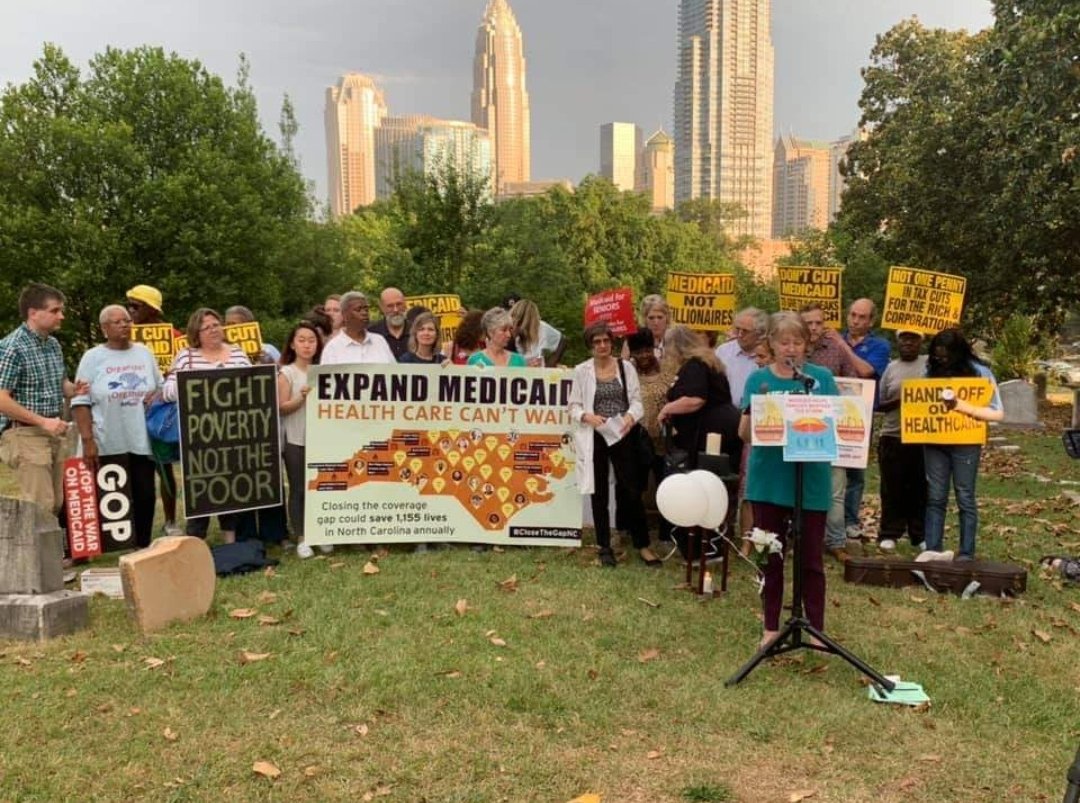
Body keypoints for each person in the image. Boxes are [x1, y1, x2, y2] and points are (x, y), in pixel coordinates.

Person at [738, 312, 839, 648]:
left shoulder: (821, 379)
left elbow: (836, 423)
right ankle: (770, 626)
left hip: (811, 478)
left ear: (807, 345)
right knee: (771, 554)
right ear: (771, 344)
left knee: (811, 558)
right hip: (770, 478)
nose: (791, 348)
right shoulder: (759, 381)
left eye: (797, 342)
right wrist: (754, 416)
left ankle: (816, 628)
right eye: (784, 342)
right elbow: (744, 434)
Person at [71, 305, 162, 549]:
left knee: (145, 494)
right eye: (117, 322)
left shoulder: (144, 353)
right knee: (105, 497)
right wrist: (88, 440)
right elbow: (80, 401)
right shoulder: (92, 357)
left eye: (127, 320)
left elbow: (159, 386)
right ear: (104, 329)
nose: (124, 325)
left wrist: (156, 395)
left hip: (140, 438)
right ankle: (95, 547)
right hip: (106, 439)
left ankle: (142, 545)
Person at [0, 283, 88, 533]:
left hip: (53, 431)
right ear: (33, 313)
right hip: (24, 432)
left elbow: (60, 383)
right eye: (55, 310)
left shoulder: (53, 345)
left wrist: (73, 389)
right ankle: (34, 558)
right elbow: (2, 399)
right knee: (41, 506)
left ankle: (47, 556)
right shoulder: (12, 347)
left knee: (56, 502)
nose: (62, 316)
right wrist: (42, 421)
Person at [569, 322, 657, 568]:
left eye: (606, 341)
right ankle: (604, 545)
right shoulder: (581, 370)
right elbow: (573, 405)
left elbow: (637, 401)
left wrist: (629, 418)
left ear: (612, 342)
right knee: (599, 491)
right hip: (595, 434)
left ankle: (642, 544)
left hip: (622, 432)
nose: (602, 346)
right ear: (590, 346)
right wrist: (587, 416)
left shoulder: (625, 367)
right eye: (597, 342)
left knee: (631, 489)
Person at [162, 308, 251, 542]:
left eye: (216, 325)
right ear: (196, 333)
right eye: (206, 327)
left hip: (232, 432)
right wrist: (198, 384)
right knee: (200, 486)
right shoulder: (186, 357)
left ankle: (230, 538)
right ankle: (196, 539)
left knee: (230, 484)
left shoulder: (237, 353)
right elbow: (168, 391)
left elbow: (252, 386)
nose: (213, 330)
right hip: (198, 435)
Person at [800, 302, 875, 563]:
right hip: (800, 430)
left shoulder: (836, 348)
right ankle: (800, 539)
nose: (814, 328)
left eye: (818, 322)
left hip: (832, 430)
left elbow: (853, 386)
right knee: (799, 487)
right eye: (808, 323)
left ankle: (836, 542)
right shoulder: (791, 350)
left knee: (835, 488)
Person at [921, 328, 1004, 561]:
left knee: (965, 496)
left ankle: (966, 553)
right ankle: (933, 550)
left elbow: (997, 413)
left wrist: (961, 406)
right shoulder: (930, 371)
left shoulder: (980, 373)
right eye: (937, 356)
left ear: (958, 354)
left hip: (966, 443)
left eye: (946, 357)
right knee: (935, 497)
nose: (942, 361)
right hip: (935, 442)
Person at [125, 283, 182, 536]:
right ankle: (131, 523)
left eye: (135, 306)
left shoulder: (175, 337)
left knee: (163, 466)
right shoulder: (124, 337)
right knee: (132, 468)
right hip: (129, 412)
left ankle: (170, 521)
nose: (130, 311)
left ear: (152, 309)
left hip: (161, 414)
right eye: (128, 306)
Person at [657, 324, 742, 470]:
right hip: (723, 425)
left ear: (675, 346)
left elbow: (696, 399)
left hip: (709, 430)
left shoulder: (695, 364)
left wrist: (667, 408)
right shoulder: (707, 360)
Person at [278, 321, 329, 560]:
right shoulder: (287, 373)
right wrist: (301, 397)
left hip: (321, 439)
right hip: (296, 439)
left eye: (312, 340)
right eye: (302, 340)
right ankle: (302, 537)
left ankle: (321, 533)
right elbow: (282, 407)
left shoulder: (324, 371)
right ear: (292, 344)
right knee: (298, 489)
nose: (307, 345)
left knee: (320, 488)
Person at [841, 299, 892, 541]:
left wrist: (842, 347)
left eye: (862, 317)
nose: (855, 321)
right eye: (852, 315)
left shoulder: (879, 345)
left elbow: (866, 371)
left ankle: (850, 520)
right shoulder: (832, 341)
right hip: (832, 411)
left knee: (855, 472)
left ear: (871, 321)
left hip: (860, 415)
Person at [875, 330, 928, 552]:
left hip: (921, 436)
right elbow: (880, 404)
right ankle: (889, 533)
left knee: (919, 488)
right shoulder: (891, 368)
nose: (908, 342)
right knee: (891, 487)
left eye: (913, 338)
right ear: (898, 342)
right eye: (904, 338)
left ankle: (919, 535)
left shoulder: (929, 365)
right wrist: (902, 399)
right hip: (893, 435)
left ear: (921, 342)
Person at [626, 328, 676, 554]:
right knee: (636, 488)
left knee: (666, 487)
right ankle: (634, 531)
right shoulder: (627, 373)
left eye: (647, 350)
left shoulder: (668, 370)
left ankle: (667, 533)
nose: (644, 355)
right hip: (637, 440)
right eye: (638, 352)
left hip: (664, 441)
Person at [320, 292, 397, 365]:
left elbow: (394, 371)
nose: (364, 313)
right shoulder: (332, 348)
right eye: (358, 310)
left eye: (366, 309)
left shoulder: (379, 341)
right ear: (345, 314)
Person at [716, 307, 768, 409]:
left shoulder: (769, 355)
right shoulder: (723, 351)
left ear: (760, 333)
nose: (740, 334)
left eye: (745, 331)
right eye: (737, 329)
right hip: (726, 412)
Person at [509, 299, 567, 367]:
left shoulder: (542, 328)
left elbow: (562, 340)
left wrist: (551, 364)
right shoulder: (510, 332)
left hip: (538, 371)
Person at [369, 287, 409, 360]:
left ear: (405, 304)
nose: (395, 310)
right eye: (390, 306)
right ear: (382, 307)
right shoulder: (371, 334)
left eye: (399, 304)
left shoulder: (418, 331)